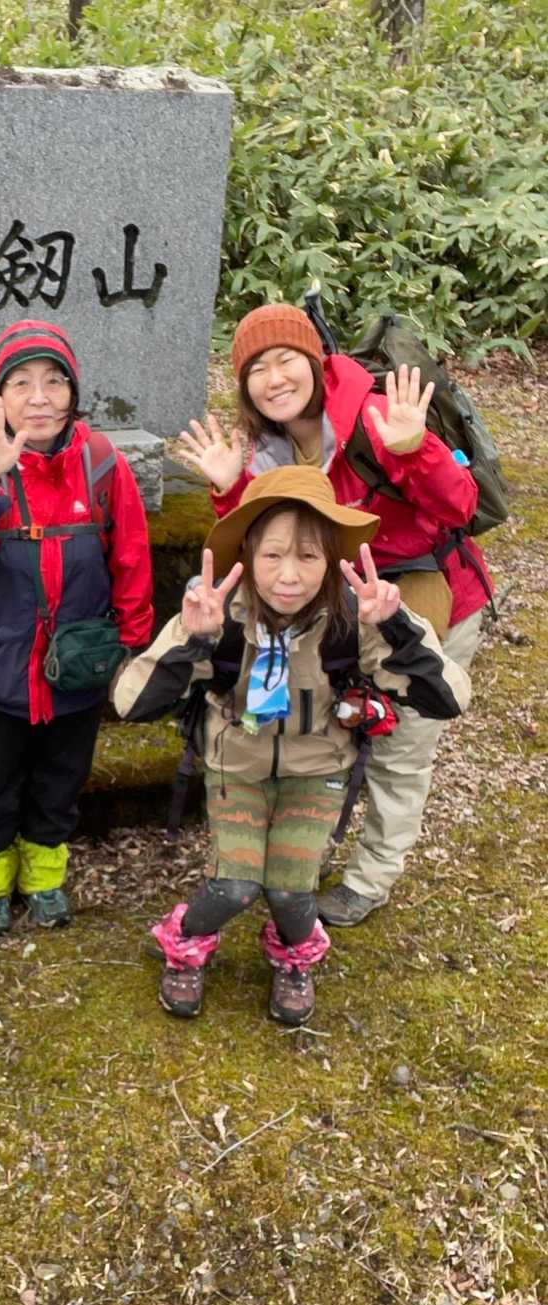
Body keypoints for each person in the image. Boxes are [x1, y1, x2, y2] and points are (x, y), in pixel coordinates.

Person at [113, 467, 471, 1024]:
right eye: (272, 555)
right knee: (234, 887)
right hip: (236, 766)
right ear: (247, 556)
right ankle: (184, 945)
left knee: (289, 893)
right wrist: (193, 639)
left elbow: (447, 698)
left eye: (308, 556)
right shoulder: (221, 615)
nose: (288, 576)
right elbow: (131, 703)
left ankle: (294, 959)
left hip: (318, 768)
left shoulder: (354, 618)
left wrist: (397, 626)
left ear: (331, 560)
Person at [179, 303, 494, 925]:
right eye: (257, 369)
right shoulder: (267, 449)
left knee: (401, 750)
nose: (275, 379)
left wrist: (413, 450)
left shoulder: (374, 414)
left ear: (316, 361)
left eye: (286, 360)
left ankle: (370, 878)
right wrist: (230, 490)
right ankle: (315, 847)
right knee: (336, 730)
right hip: (338, 615)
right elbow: (269, 542)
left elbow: (461, 507)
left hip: (424, 602)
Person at [0, 319, 154, 934]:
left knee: (61, 781)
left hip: (77, 664)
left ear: (74, 392)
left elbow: (131, 555)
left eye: (54, 381)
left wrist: (131, 642)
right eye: (21, 383)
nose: (39, 398)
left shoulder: (101, 464)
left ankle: (45, 878)